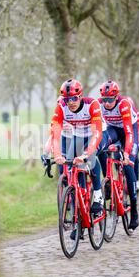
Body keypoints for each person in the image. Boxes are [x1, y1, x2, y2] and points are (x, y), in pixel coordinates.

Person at [51, 79, 104, 225]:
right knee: (70, 165)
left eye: (74, 98)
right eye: (68, 99)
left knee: (91, 158)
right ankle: (79, 209)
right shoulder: (61, 107)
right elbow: (55, 135)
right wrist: (57, 155)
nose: (71, 102)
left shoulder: (92, 104)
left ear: (80, 96)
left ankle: (98, 195)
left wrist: (86, 154)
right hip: (78, 135)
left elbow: (97, 134)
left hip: (97, 134)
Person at [96, 80, 139, 231]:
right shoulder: (99, 104)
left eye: (110, 100)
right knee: (101, 147)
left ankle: (134, 209)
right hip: (113, 129)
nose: (107, 103)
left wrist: (127, 153)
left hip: (128, 131)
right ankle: (107, 180)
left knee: (128, 166)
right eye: (104, 100)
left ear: (116, 97)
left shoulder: (123, 104)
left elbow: (128, 132)